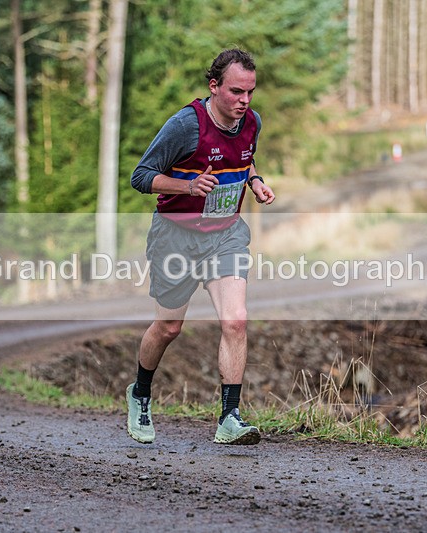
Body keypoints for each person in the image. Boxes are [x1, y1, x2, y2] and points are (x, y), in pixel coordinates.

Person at [127, 48, 275, 446]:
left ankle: (230, 417)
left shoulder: (251, 123)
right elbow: (140, 177)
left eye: (250, 92)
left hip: (224, 234)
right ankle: (140, 392)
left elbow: (245, 160)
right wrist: (188, 186)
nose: (245, 101)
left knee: (236, 320)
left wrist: (255, 182)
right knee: (169, 327)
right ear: (214, 87)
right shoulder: (185, 126)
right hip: (175, 235)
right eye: (236, 92)